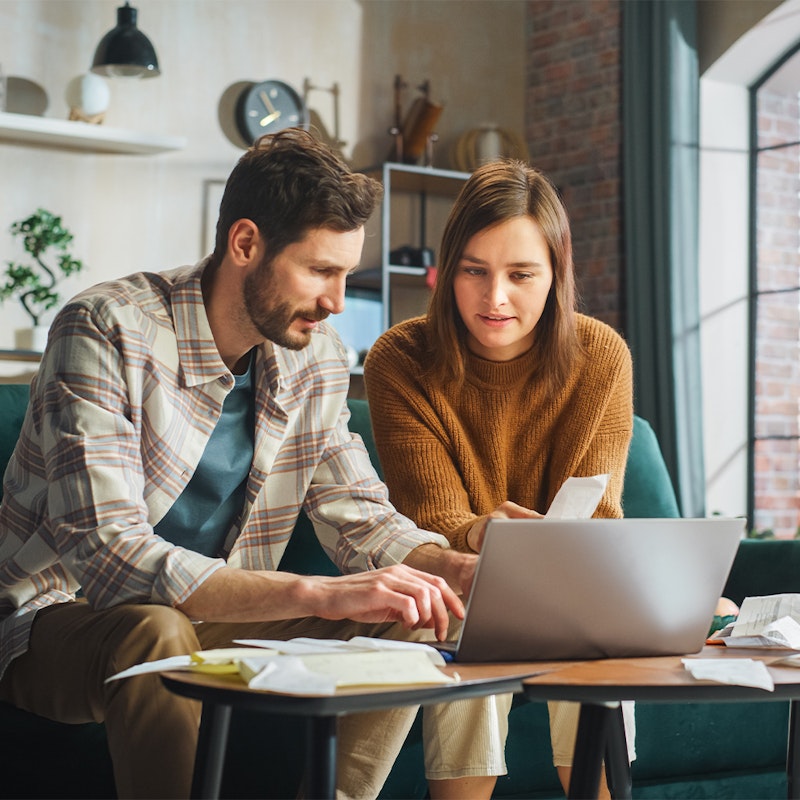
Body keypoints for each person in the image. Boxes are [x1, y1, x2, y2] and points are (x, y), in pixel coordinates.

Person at [0, 129, 501, 800]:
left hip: (216, 615)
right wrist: (313, 592)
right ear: (245, 244)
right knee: (157, 630)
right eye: (321, 271)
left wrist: (456, 568)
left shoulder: (315, 360)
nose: (337, 302)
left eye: (346, 274)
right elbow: (109, 556)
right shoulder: (105, 328)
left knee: (421, 608)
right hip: (58, 617)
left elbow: (360, 517)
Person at [363, 158, 637, 798]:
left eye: (520, 275)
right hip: (458, 585)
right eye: (474, 272)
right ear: (446, 271)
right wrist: (481, 533)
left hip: (575, 586)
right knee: (467, 607)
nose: (495, 299)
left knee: (594, 619)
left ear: (555, 275)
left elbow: (596, 522)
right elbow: (429, 526)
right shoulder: (400, 359)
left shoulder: (601, 356)